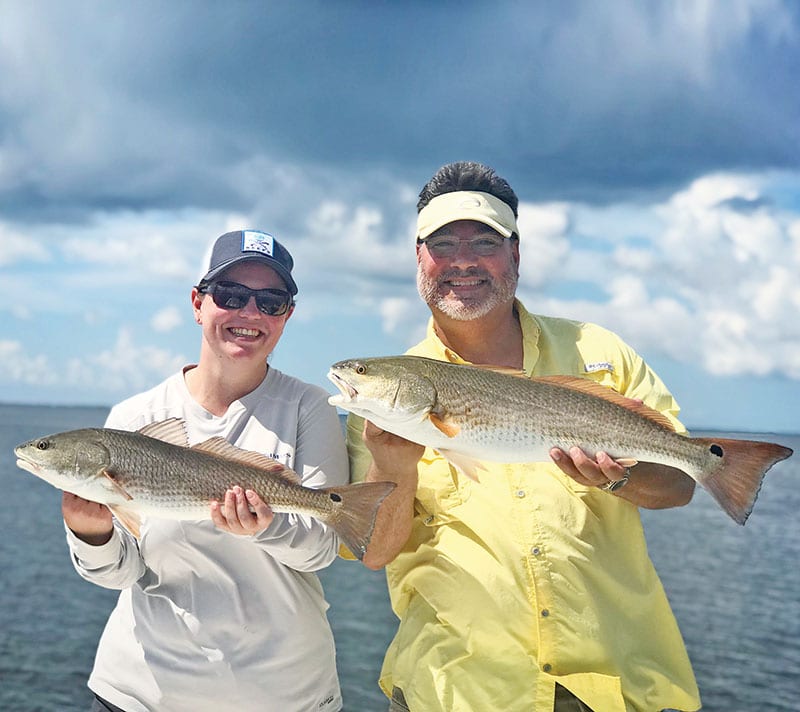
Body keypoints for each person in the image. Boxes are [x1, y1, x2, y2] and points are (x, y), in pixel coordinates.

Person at [346, 163, 702, 712]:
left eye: (483, 241)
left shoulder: (600, 354)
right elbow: (372, 552)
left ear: (516, 253)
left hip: (612, 689)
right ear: (419, 257)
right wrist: (393, 467)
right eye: (443, 243)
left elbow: (681, 485)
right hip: (455, 691)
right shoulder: (373, 411)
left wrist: (623, 475)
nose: (462, 260)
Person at [63, 229, 348, 712]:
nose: (250, 313)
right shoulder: (133, 418)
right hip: (139, 695)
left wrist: (269, 527)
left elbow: (321, 550)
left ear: (287, 316)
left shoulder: (310, 407)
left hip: (286, 696)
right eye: (231, 296)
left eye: (271, 301)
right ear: (198, 303)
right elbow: (120, 574)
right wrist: (90, 534)